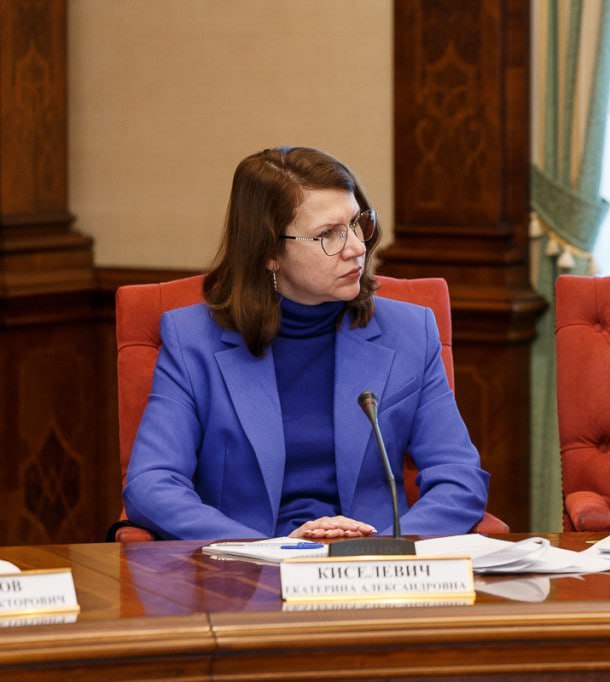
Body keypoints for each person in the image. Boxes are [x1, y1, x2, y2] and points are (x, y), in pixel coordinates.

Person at [124, 146, 489, 540]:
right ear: (268, 252)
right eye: (328, 234)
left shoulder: (409, 331)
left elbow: (459, 479)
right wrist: (272, 551)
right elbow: (151, 485)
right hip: (248, 569)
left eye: (357, 223)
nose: (356, 247)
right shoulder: (192, 340)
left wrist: (379, 550)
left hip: (376, 564)